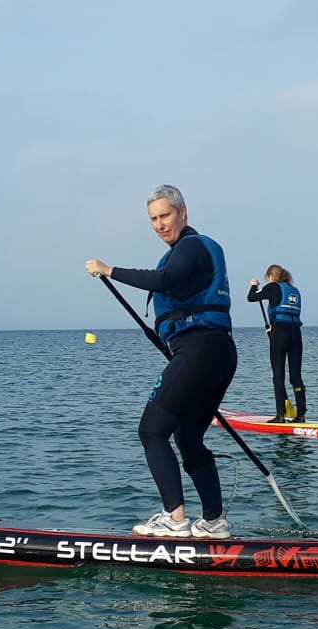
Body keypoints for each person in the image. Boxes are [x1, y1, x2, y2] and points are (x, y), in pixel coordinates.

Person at [85, 185, 237, 539]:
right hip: (218, 353)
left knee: (152, 431)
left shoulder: (191, 246)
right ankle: (213, 522)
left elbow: (167, 280)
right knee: (188, 437)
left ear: (183, 212)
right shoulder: (193, 250)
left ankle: (174, 519)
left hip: (200, 351)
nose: (159, 224)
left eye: (165, 215)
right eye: (153, 219)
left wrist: (110, 270)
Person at [247, 264, 307, 423]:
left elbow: (251, 297)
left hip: (280, 334)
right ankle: (301, 415)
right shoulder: (294, 290)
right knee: (296, 376)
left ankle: (280, 415)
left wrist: (254, 286)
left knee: (278, 376)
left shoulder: (273, 287)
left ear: (271, 276)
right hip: (296, 334)